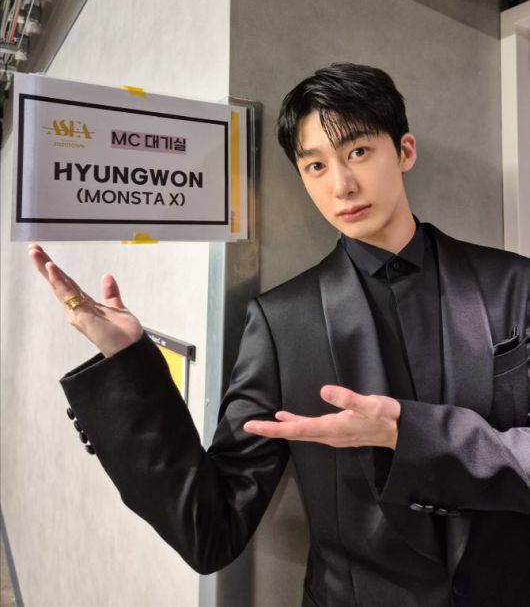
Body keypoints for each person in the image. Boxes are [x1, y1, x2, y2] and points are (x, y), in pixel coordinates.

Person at [29, 64, 530, 607]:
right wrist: (129, 365)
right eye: (315, 165)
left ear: (404, 151)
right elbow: (211, 528)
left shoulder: (514, 283)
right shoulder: (283, 322)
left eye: (359, 151)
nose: (341, 185)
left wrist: (404, 433)